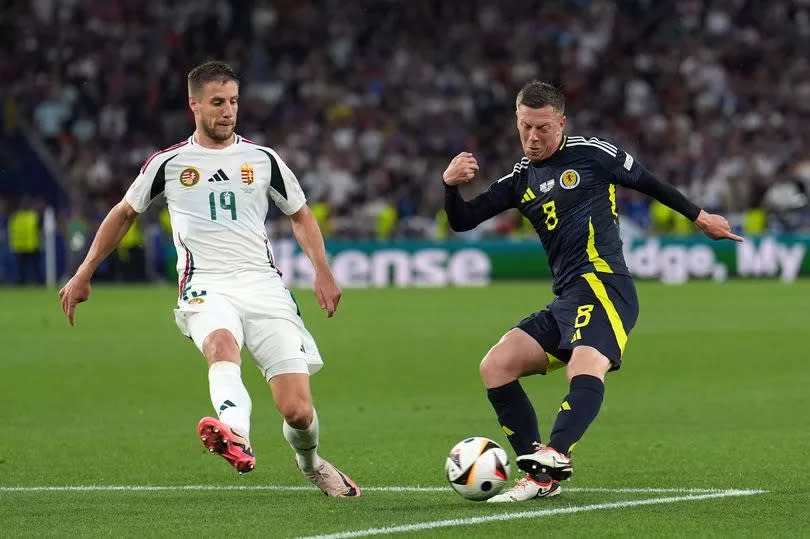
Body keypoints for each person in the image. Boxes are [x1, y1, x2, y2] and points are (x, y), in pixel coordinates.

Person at [58, 61, 360, 497]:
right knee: (220, 345)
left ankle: (311, 462)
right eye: (218, 102)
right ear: (194, 104)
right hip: (205, 284)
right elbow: (124, 213)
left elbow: (300, 214)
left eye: (233, 101)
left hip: (263, 285)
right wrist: (85, 272)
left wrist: (323, 271)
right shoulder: (168, 163)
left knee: (296, 410)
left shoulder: (263, 159)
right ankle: (235, 432)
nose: (228, 111)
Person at [442, 81, 742, 503]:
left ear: (561, 123)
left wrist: (699, 216)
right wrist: (450, 187)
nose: (532, 137)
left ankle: (557, 453)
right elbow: (463, 221)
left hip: (606, 286)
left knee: (584, 365)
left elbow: (648, 182)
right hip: (567, 298)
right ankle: (538, 471)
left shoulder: (593, 153)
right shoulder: (520, 178)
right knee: (496, 366)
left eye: (543, 128)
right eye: (525, 126)